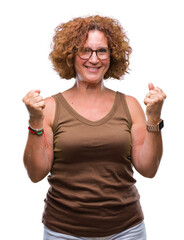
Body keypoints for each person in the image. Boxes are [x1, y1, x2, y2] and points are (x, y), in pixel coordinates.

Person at [22, 15, 166, 240]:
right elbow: (36, 173)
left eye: (102, 51)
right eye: (85, 50)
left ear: (112, 56)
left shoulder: (129, 105)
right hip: (64, 231)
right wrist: (35, 121)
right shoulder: (49, 107)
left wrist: (154, 118)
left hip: (126, 230)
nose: (94, 59)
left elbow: (148, 168)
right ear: (70, 55)